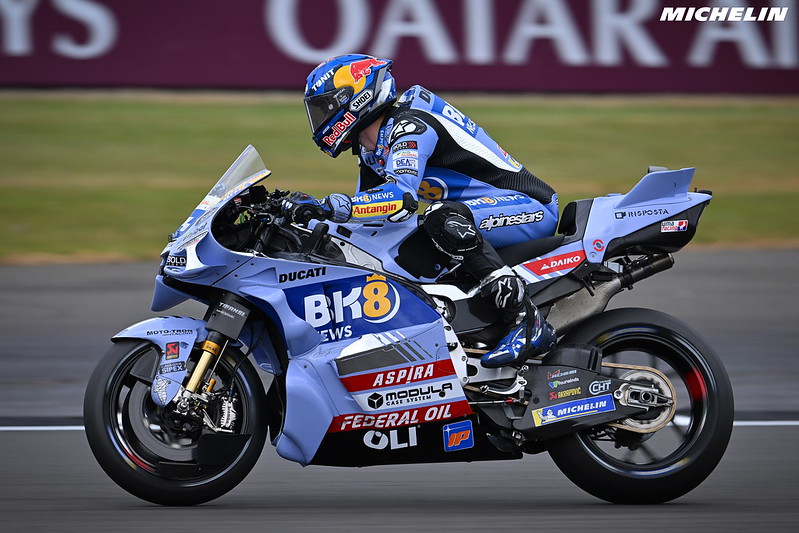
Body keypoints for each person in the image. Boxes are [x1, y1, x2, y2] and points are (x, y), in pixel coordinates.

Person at [283, 54, 558, 368]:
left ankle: (526, 320)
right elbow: (373, 214)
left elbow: (400, 198)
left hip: (529, 206)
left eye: (325, 108)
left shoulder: (412, 123)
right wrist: (314, 219)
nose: (320, 120)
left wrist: (331, 207)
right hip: (475, 215)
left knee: (441, 217)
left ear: (355, 99)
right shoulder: (371, 144)